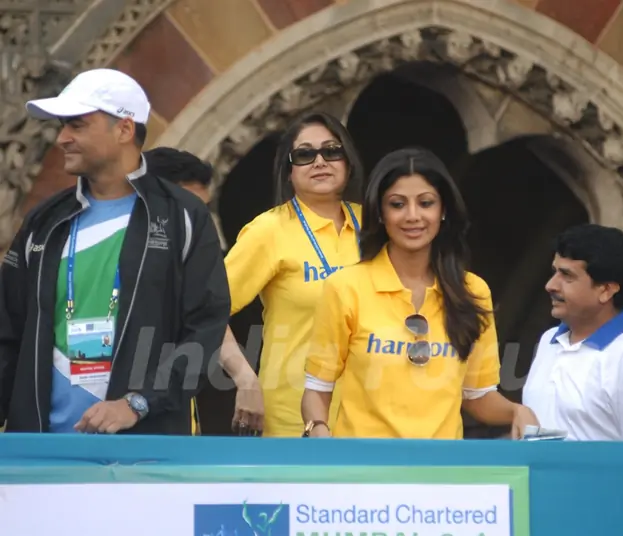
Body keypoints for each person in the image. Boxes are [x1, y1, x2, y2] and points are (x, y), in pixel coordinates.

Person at [0, 68, 230, 434]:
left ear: (124, 129)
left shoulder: (183, 215)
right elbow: (7, 333)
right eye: (62, 126)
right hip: (41, 454)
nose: (62, 138)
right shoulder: (44, 219)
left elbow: (205, 329)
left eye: (76, 125)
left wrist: (139, 403)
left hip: (143, 454)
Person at [300, 147, 539, 439]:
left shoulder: (472, 291)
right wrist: (318, 431)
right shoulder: (345, 287)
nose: (412, 216)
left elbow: (478, 396)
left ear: (443, 212)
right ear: (380, 212)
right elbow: (317, 391)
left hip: (441, 474)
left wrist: (516, 411)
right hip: (362, 472)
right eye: (398, 204)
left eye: (426, 203)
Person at [221, 111, 364, 437]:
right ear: (288, 171)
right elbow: (204, 308)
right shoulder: (269, 231)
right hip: (293, 420)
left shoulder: (375, 226)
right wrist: (244, 378)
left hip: (372, 418)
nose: (320, 161)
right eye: (304, 154)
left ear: (349, 162)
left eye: (332, 151)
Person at [145, 147, 263, 435]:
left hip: (174, 425)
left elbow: (208, 314)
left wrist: (246, 379)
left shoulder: (185, 262)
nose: (201, 223)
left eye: (204, 211)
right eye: (191, 209)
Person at [521, 223, 623, 441]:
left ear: (606, 290)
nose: (551, 285)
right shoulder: (548, 341)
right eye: (554, 272)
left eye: (567, 275)